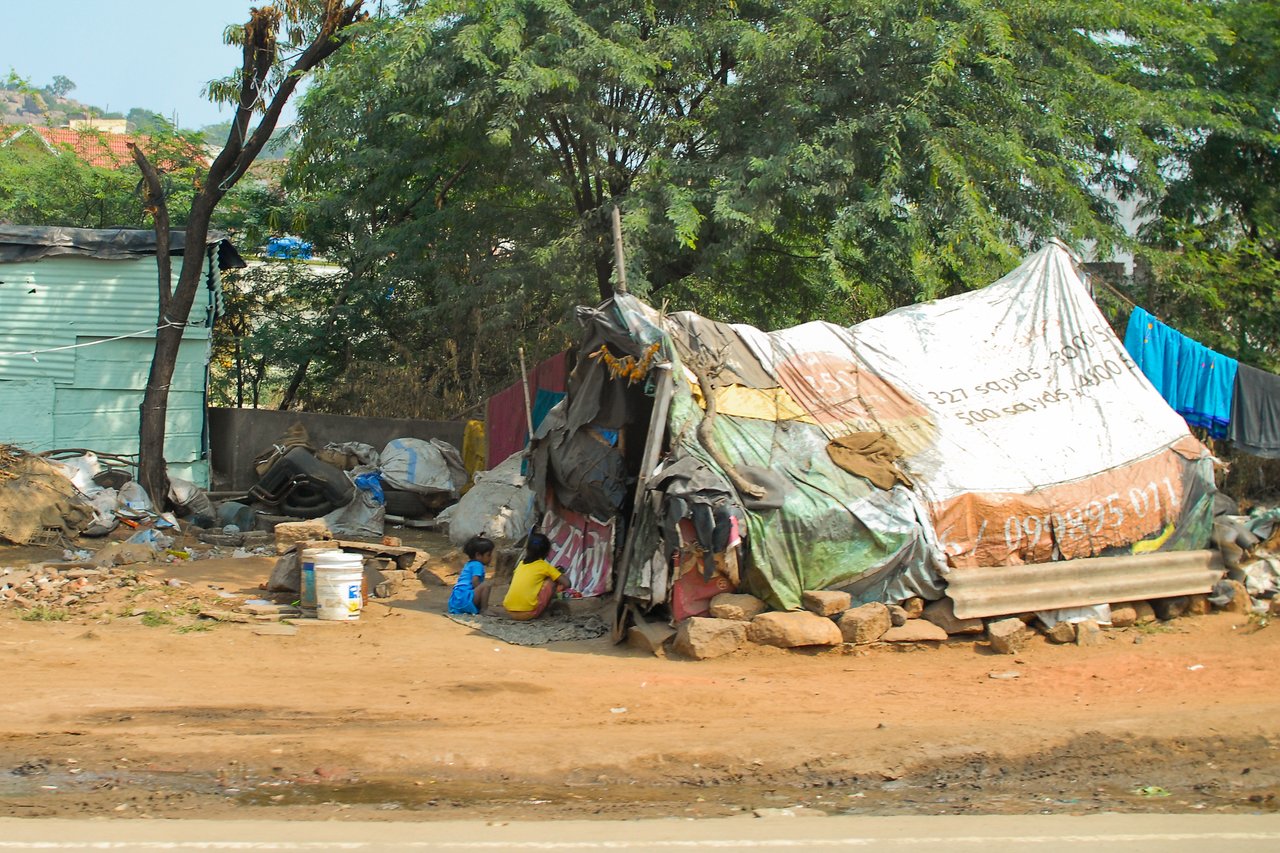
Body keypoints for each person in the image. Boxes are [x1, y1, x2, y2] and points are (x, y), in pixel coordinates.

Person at [500, 532, 572, 620]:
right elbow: (567, 583)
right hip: (528, 613)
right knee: (551, 581)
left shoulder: (521, 564)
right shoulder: (544, 566)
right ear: (546, 552)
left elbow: (512, 582)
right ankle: (544, 612)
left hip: (509, 611)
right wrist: (558, 573)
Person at [447, 536, 494, 615]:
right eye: (488, 555)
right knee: (486, 585)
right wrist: (481, 595)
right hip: (465, 598)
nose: (491, 557)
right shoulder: (478, 565)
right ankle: (484, 609)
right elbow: (475, 581)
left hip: (456, 600)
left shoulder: (469, 564)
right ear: (478, 555)